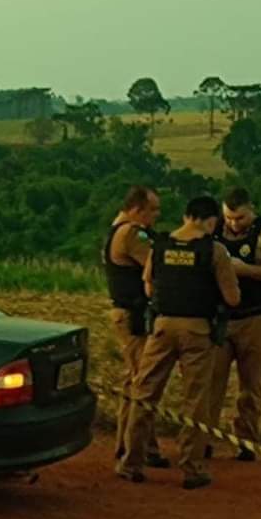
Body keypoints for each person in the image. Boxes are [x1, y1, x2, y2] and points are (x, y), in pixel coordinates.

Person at [116, 194, 240, 490]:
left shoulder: (160, 244)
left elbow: (148, 286)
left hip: (161, 326)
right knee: (195, 399)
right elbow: (232, 298)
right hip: (197, 330)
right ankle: (192, 467)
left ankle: (131, 462)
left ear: (186, 216)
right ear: (212, 220)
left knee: (144, 393)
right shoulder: (214, 250)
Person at [207, 187, 261, 460]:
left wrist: (245, 270)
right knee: (211, 382)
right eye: (229, 218)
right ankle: (203, 438)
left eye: (240, 218)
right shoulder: (212, 230)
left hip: (257, 318)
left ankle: (247, 441)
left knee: (251, 384)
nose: (234, 224)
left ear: (251, 210)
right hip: (220, 318)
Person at [102, 185, 170, 468]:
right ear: (136, 209)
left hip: (127, 313)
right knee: (143, 382)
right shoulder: (132, 233)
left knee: (136, 380)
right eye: (152, 210)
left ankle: (136, 445)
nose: (156, 216)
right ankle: (136, 449)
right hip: (133, 315)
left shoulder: (116, 230)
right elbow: (158, 265)